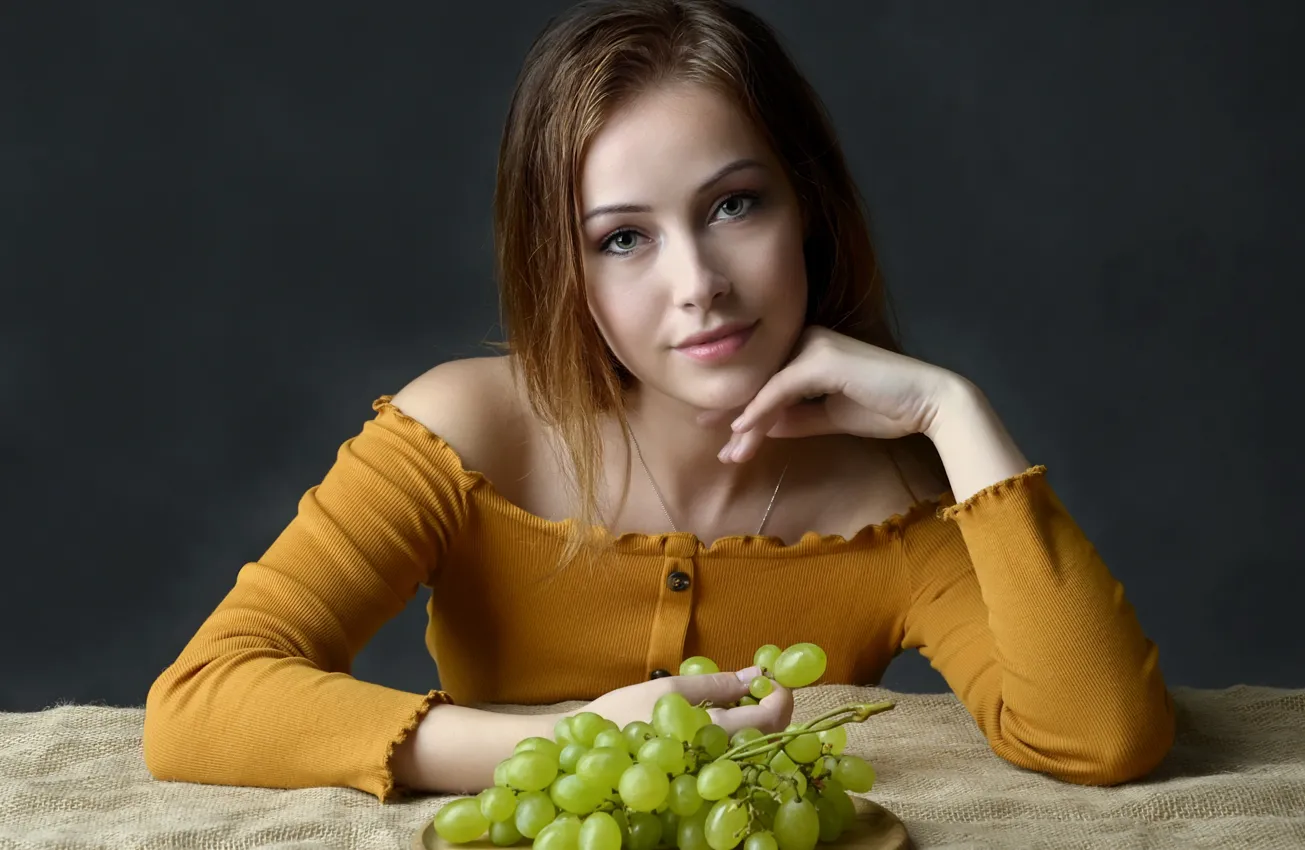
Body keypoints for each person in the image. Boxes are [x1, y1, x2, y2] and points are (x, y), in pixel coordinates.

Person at [143, 0, 1175, 803]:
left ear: (805, 209)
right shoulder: (467, 429)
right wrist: (573, 740)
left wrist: (955, 411)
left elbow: (1099, 731)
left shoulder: (895, 502)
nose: (698, 284)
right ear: (566, 266)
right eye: (623, 238)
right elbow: (200, 703)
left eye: (734, 204)